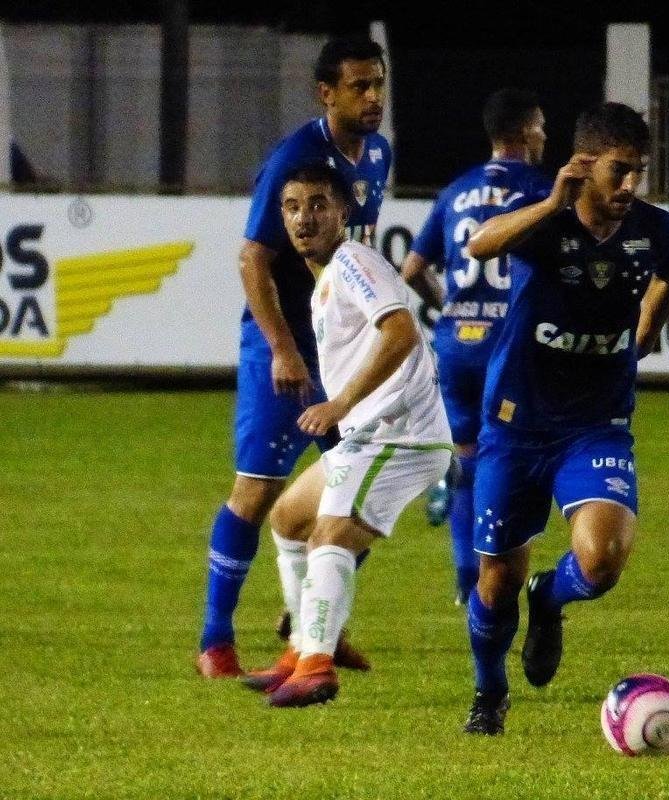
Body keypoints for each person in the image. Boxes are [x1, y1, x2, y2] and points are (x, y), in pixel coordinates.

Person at [458, 102, 669, 735]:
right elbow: (480, 244)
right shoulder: (545, 225)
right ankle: (489, 689)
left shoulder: (659, 231)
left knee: (603, 560)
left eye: (639, 171)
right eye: (618, 171)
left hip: (597, 423)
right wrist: (551, 204)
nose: (630, 186)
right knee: (497, 578)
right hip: (515, 424)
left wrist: (648, 329)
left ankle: (549, 599)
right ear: (585, 165)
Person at [196, 35, 391, 678]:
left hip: (338, 347)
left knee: (359, 488)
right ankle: (215, 641)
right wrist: (282, 349)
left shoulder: (379, 154)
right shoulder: (295, 159)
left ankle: (317, 628)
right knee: (256, 492)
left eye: (379, 84)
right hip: (282, 347)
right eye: (359, 86)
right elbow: (254, 257)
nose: (373, 97)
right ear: (326, 93)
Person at [241, 162, 452, 707]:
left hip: (400, 437)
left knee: (330, 535)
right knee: (289, 518)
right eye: (291, 207)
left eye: (317, 205)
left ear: (342, 212)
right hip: (370, 432)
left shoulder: (353, 261)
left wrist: (340, 403)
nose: (303, 218)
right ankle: (302, 649)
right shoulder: (326, 281)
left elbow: (401, 331)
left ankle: (316, 666)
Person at [401, 88, 552, 607]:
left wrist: (449, 305)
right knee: (516, 459)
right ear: (527, 131)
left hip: (458, 344)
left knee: (466, 460)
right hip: (510, 345)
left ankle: (468, 583)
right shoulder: (540, 189)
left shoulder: (455, 191)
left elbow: (412, 270)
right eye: (542, 127)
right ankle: (502, 577)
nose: (546, 137)